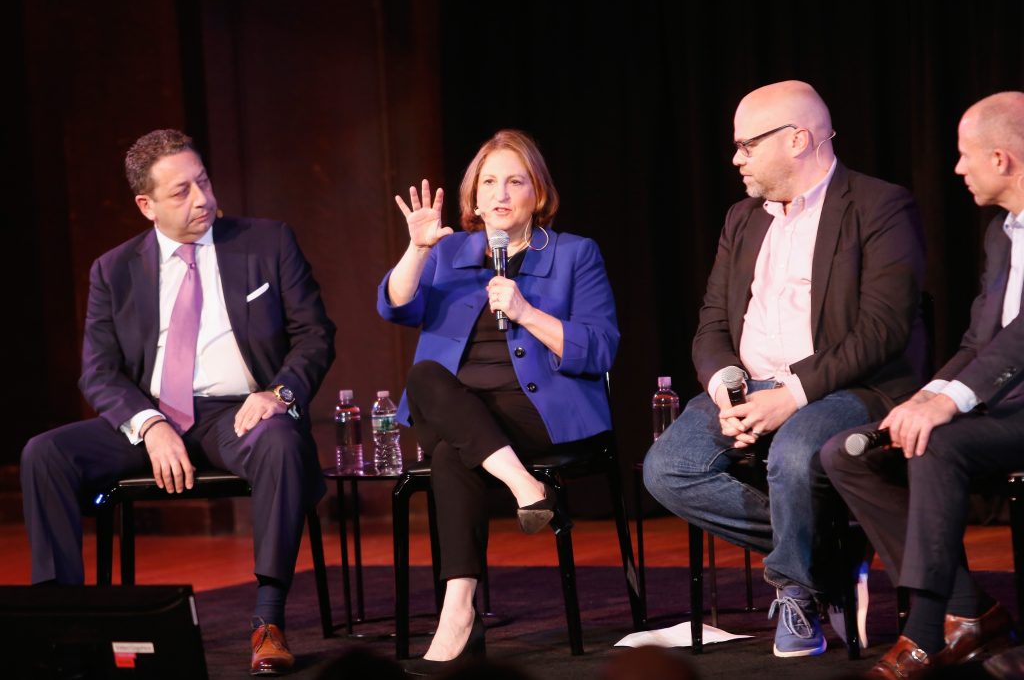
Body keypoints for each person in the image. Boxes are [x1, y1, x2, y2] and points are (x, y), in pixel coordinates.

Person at [20, 129, 335, 676]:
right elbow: (99, 370)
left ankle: (267, 620)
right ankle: (60, 623)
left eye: (203, 181)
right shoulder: (113, 270)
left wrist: (278, 393)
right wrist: (149, 424)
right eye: (181, 191)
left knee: (281, 439)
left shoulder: (267, 242)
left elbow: (315, 335)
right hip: (154, 418)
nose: (202, 199)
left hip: (239, 414)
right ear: (147, 205)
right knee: (44, 454)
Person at [642, 80, 927, 658]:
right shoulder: (743, 218)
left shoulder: (878, 205)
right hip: (750, 385)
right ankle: (829, 554)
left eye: (747, 145)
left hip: (848, 386)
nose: (736, 158)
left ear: (797, 140)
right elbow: (713, 321)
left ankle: (796, 589)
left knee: (795, 452)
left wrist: (791, 395)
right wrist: (727, 389)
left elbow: (882, 329)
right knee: (667, 468)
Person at [377, 129, 618, 675]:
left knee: (450, 455)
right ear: (474, 196)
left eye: (515, 181)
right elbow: (396, 307)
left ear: (538, 191)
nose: (501, 194)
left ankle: (458, 616)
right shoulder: (447, 253)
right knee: (427, 377)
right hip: (455, 407)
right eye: (489, 183)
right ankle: (527, 488)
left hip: (539, 413)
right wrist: (417, 249)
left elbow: (601, 347)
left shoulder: (574, 254)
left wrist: (528, 313)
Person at [822, 91, 1024, 679]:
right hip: (1001, 406)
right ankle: (970, 611)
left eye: (965, 155)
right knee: (847, 454)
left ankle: (926, 633)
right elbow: (979, 340)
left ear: (1001, 159)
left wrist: (948, 402)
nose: (957, 169)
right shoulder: (1001, 235)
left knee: (935, 442)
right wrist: (927, 393)